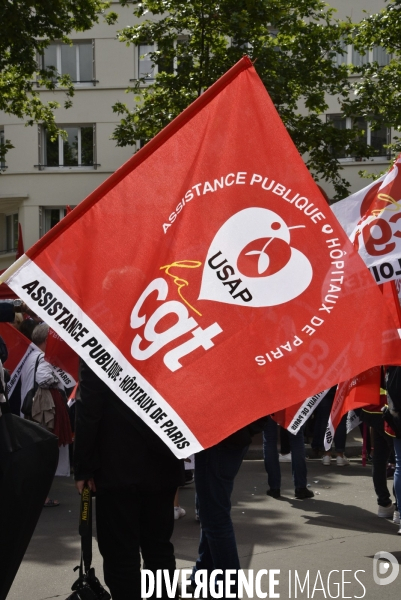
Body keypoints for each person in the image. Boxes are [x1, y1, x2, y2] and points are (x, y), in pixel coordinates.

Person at [74, 360, 183, 600]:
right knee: (158, 550)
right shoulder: (172, 330)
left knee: (121, 556)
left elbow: (89, 406)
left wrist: (83, 467)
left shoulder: (100, 338)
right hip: (162, 460)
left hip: (116, 464)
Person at [190, 418, 267, 598]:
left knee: (214, 517)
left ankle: (228, 589)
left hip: (220, 436)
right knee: (210, 511)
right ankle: (203, 574)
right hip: (231, 434)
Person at [20, 323, 73, 506]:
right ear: (47, 340)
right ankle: (41, 496)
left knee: (38, 453)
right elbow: (43, 378)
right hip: (42, 411)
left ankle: (36, 494)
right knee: (44, 454)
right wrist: (57, 377)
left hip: (35, 410)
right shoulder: (43, 357)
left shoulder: (31, 355)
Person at [263, 417, 314, 499]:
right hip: (292, 406)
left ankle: (274, 488)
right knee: (296, 438)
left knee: (269, 439)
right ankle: (300, 487)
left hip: (268, 406)